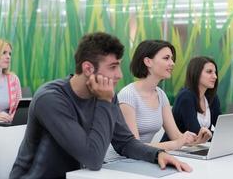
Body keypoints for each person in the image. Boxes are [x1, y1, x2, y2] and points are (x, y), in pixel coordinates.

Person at [10, 32, 192, 179]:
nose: (120, 75)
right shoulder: (50, 99)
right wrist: (105, 101)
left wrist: (156, 155)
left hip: (78, 176)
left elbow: (126, 142)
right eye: (113, 67)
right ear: (88, 68)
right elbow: (93, 158)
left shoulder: (104, 95)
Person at [118, 40, 211, 151]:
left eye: (171, 59)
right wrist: (177, 143)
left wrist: (198, 140)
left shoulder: (161, 95)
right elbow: (134, 146)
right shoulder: (128, 95)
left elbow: (176, 137)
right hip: (118, 162)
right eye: (166, 58)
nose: (172, 63)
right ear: (148, 61)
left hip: (141, 159)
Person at [161, 56, 233, 141]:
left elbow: (220, 126)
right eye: (209, 72)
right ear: (196, 73)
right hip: (173, 150)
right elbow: (197, 134)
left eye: (215, 72)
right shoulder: (186, 97)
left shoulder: (212, 98)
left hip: (195, 149)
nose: (215, 76)